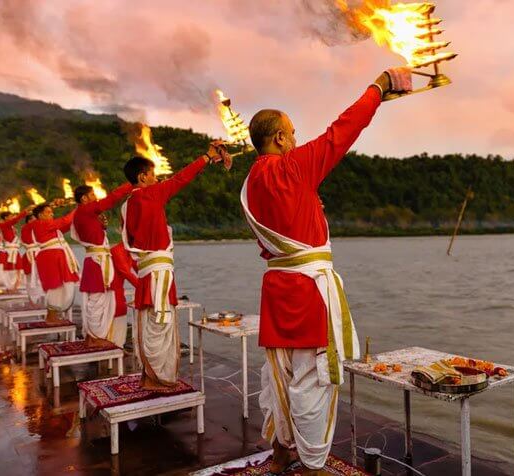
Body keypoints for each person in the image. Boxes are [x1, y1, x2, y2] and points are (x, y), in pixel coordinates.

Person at [240, 68, 412, 474]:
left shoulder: (249, 183)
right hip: (307, 294)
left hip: (276, 289)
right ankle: (314, 465)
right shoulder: (293, 167)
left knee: (279, 376)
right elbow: (343, 130)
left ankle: (282, 453)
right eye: (293, 133)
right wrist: (378, 87)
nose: (297, 139)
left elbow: (274, 239)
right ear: (280, 138)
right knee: (314, 381)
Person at [121, 141, 231, 390]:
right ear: (142, 177)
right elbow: (181, 179)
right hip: (158, 274)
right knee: (161, 324)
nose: (156, 178)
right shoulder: (150, 194)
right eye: (152, 174)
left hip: (147, 273)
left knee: (149, 324)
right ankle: (158, 379)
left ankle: (150, 375)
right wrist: (206, 157)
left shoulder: (127, 205)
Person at [71, 182, 132, 347]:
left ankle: (92, 336)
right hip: (97, 261)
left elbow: (93, 234)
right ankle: (95, 338)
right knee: (97, 301)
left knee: (96, 300)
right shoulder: (85, 210)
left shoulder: (82, 213)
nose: (95, 198)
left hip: (95, 260)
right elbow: (111, 199)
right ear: (84, 198)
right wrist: (130, 185)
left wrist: (101, 227)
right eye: (92, 195)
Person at [32, 200, 78, 323]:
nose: (52, 214)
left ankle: (53, 314)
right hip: (50, 257)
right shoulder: (40, 224)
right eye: (48, 212)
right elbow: (65, 221)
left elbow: (67, 224)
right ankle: (51, 316)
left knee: (62, 286)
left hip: (54, 256)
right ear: (41, 215)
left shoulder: (49, 226)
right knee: (54, 286)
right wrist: (78, 208)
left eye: (52, 212)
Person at [20, 213, 43, 304]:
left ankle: (38, 299)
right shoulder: (26, 228)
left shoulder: (34, 227)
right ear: (29, 221)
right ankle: (33, 300)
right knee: (31, 279)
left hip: (38, 253)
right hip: (31, 255)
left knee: (39, 278)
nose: (35, 221)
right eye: (33, 219)